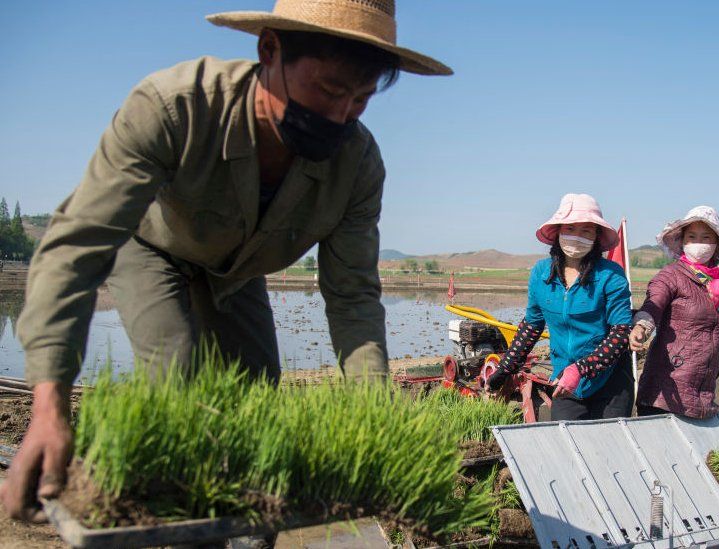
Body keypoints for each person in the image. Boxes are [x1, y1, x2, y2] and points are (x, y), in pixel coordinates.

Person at [2, 0, 452, 522]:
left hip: (238, 273)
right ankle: (159, 511)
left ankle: (239, 526)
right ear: (269, 49)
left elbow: (352, 295)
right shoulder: (175, 106)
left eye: (360, 99)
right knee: (176, 374)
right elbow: (78, 246)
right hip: (152, 248)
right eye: (328, 90)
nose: (340, 115)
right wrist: (48, 403)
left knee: (255, 400)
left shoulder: (357, 164)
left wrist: (373, 411)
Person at [487, 194, 634, 421]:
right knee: (567, 442)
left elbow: (620, 333)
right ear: (558, 232)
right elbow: (532, 326)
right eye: (571, 228)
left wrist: (581, 368)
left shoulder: (610, 276)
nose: (577, 237)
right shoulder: (541, 274)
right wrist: (505, 369)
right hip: (565, 378)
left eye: (586, 231)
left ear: (596, 236)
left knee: (607, 447)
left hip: (610, 381)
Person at [629, 206, 719, 418]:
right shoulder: (670, 276)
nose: (698, 243)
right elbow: (652, 306)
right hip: (664, 395)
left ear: (716, 244)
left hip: (702, 394)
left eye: (706, 237)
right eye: (692, 237)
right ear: (682, 242)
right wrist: (641, 326)